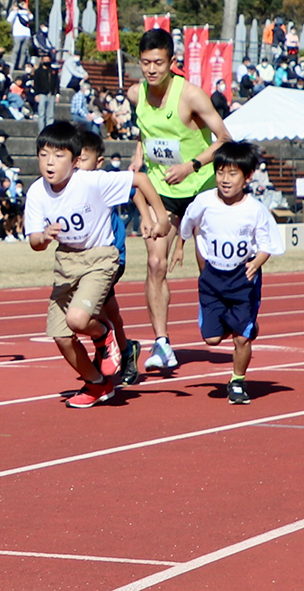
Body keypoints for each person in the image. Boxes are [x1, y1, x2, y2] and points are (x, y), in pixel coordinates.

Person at [25, 123, 165, 408]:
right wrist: (44, 237)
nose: (49, 162)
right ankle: (97, 384)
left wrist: (158, 217)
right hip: (66, 260)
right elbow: (34, 243)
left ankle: (103, 334)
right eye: (43, 155)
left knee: (77, 320)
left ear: (76, 161)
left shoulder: (91, 181)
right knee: (61, 336)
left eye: (58, 155)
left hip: (100, 257)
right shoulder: (37, 192)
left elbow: (139, 181)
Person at [127, 27, 231, 376]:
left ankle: (214, 310)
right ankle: (161, 342)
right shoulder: (135, 94)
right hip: (162, 190)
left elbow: (225, 139)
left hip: (199, 188)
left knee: (207, 264)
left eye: (158, 62)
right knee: (156, 263)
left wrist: (191, 165)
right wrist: (138, 156)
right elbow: (145, 133)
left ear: (173, 62)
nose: (151, 69)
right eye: (145, 63)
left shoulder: (191, 96)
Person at [178, 141, 285, 405]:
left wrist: (257, 262)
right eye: (221, 173)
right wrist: (179, 248)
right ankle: (244, 325)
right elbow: (188, 225)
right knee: (212, 339)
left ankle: (237, 380)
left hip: (242, 279)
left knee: (241, 338)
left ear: (248, 177)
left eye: (233, 174)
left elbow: (268, 245)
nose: (225, 180)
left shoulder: (255, 210)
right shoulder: (203, 201)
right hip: (213, 279)